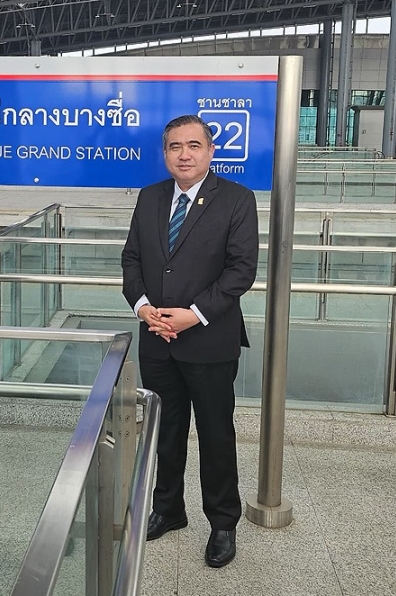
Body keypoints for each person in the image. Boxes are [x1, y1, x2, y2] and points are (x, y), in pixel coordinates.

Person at [121, 115, 258, 568]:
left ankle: (222, 523)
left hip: (209, 341)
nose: (184, 154)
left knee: (216, 436)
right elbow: (132, 260)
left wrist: (192, 316)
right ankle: (168, 508)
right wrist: (143, 307)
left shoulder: (237, 199)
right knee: (165, 430)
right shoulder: (150, 197)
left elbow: (241, 271)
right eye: (175, 146)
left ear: (211, 151)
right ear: (165, 153)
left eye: (194, 145)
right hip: (156, 338)